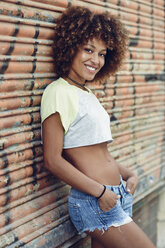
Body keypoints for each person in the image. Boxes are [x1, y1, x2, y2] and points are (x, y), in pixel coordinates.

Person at [41, 6, 156, 248]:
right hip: (95, 200)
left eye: (102, 54)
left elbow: (98, 153)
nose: (96, 60)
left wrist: (129, 174)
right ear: (70, 47)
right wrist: (100, 192)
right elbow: (53, 160)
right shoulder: (57, 92)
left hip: (116, 195)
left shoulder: (87, 93)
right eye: (88, 50)